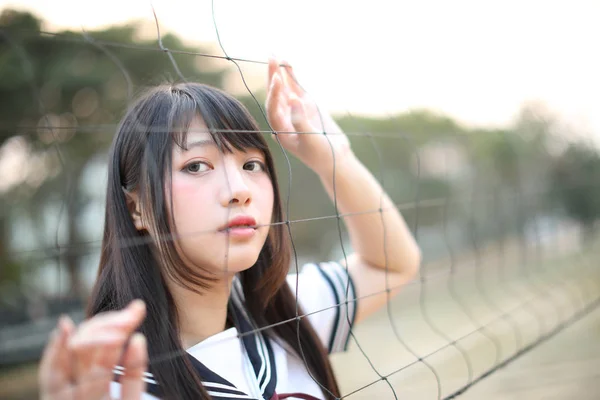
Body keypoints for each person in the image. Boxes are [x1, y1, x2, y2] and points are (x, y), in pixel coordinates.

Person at [38, 58, 421, 400]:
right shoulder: (116, 385)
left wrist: (335, 157)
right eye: (196, 166)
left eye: (251, 165)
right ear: (136, 208)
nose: (238, 190)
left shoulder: (283, 316)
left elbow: (390, 265)